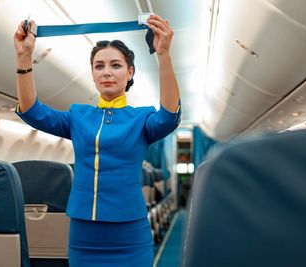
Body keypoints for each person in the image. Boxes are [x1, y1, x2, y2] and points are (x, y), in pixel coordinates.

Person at [14, 14, 181, 267]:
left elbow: (169, 116)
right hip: (85, 235)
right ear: (92, 74)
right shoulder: (79, 116)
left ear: (130, 72)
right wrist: (24, 57)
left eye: (116, 65)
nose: (106, 72)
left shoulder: (141, 118)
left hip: (129, 232)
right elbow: (32, 112)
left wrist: (164, 55)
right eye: (99, 66)